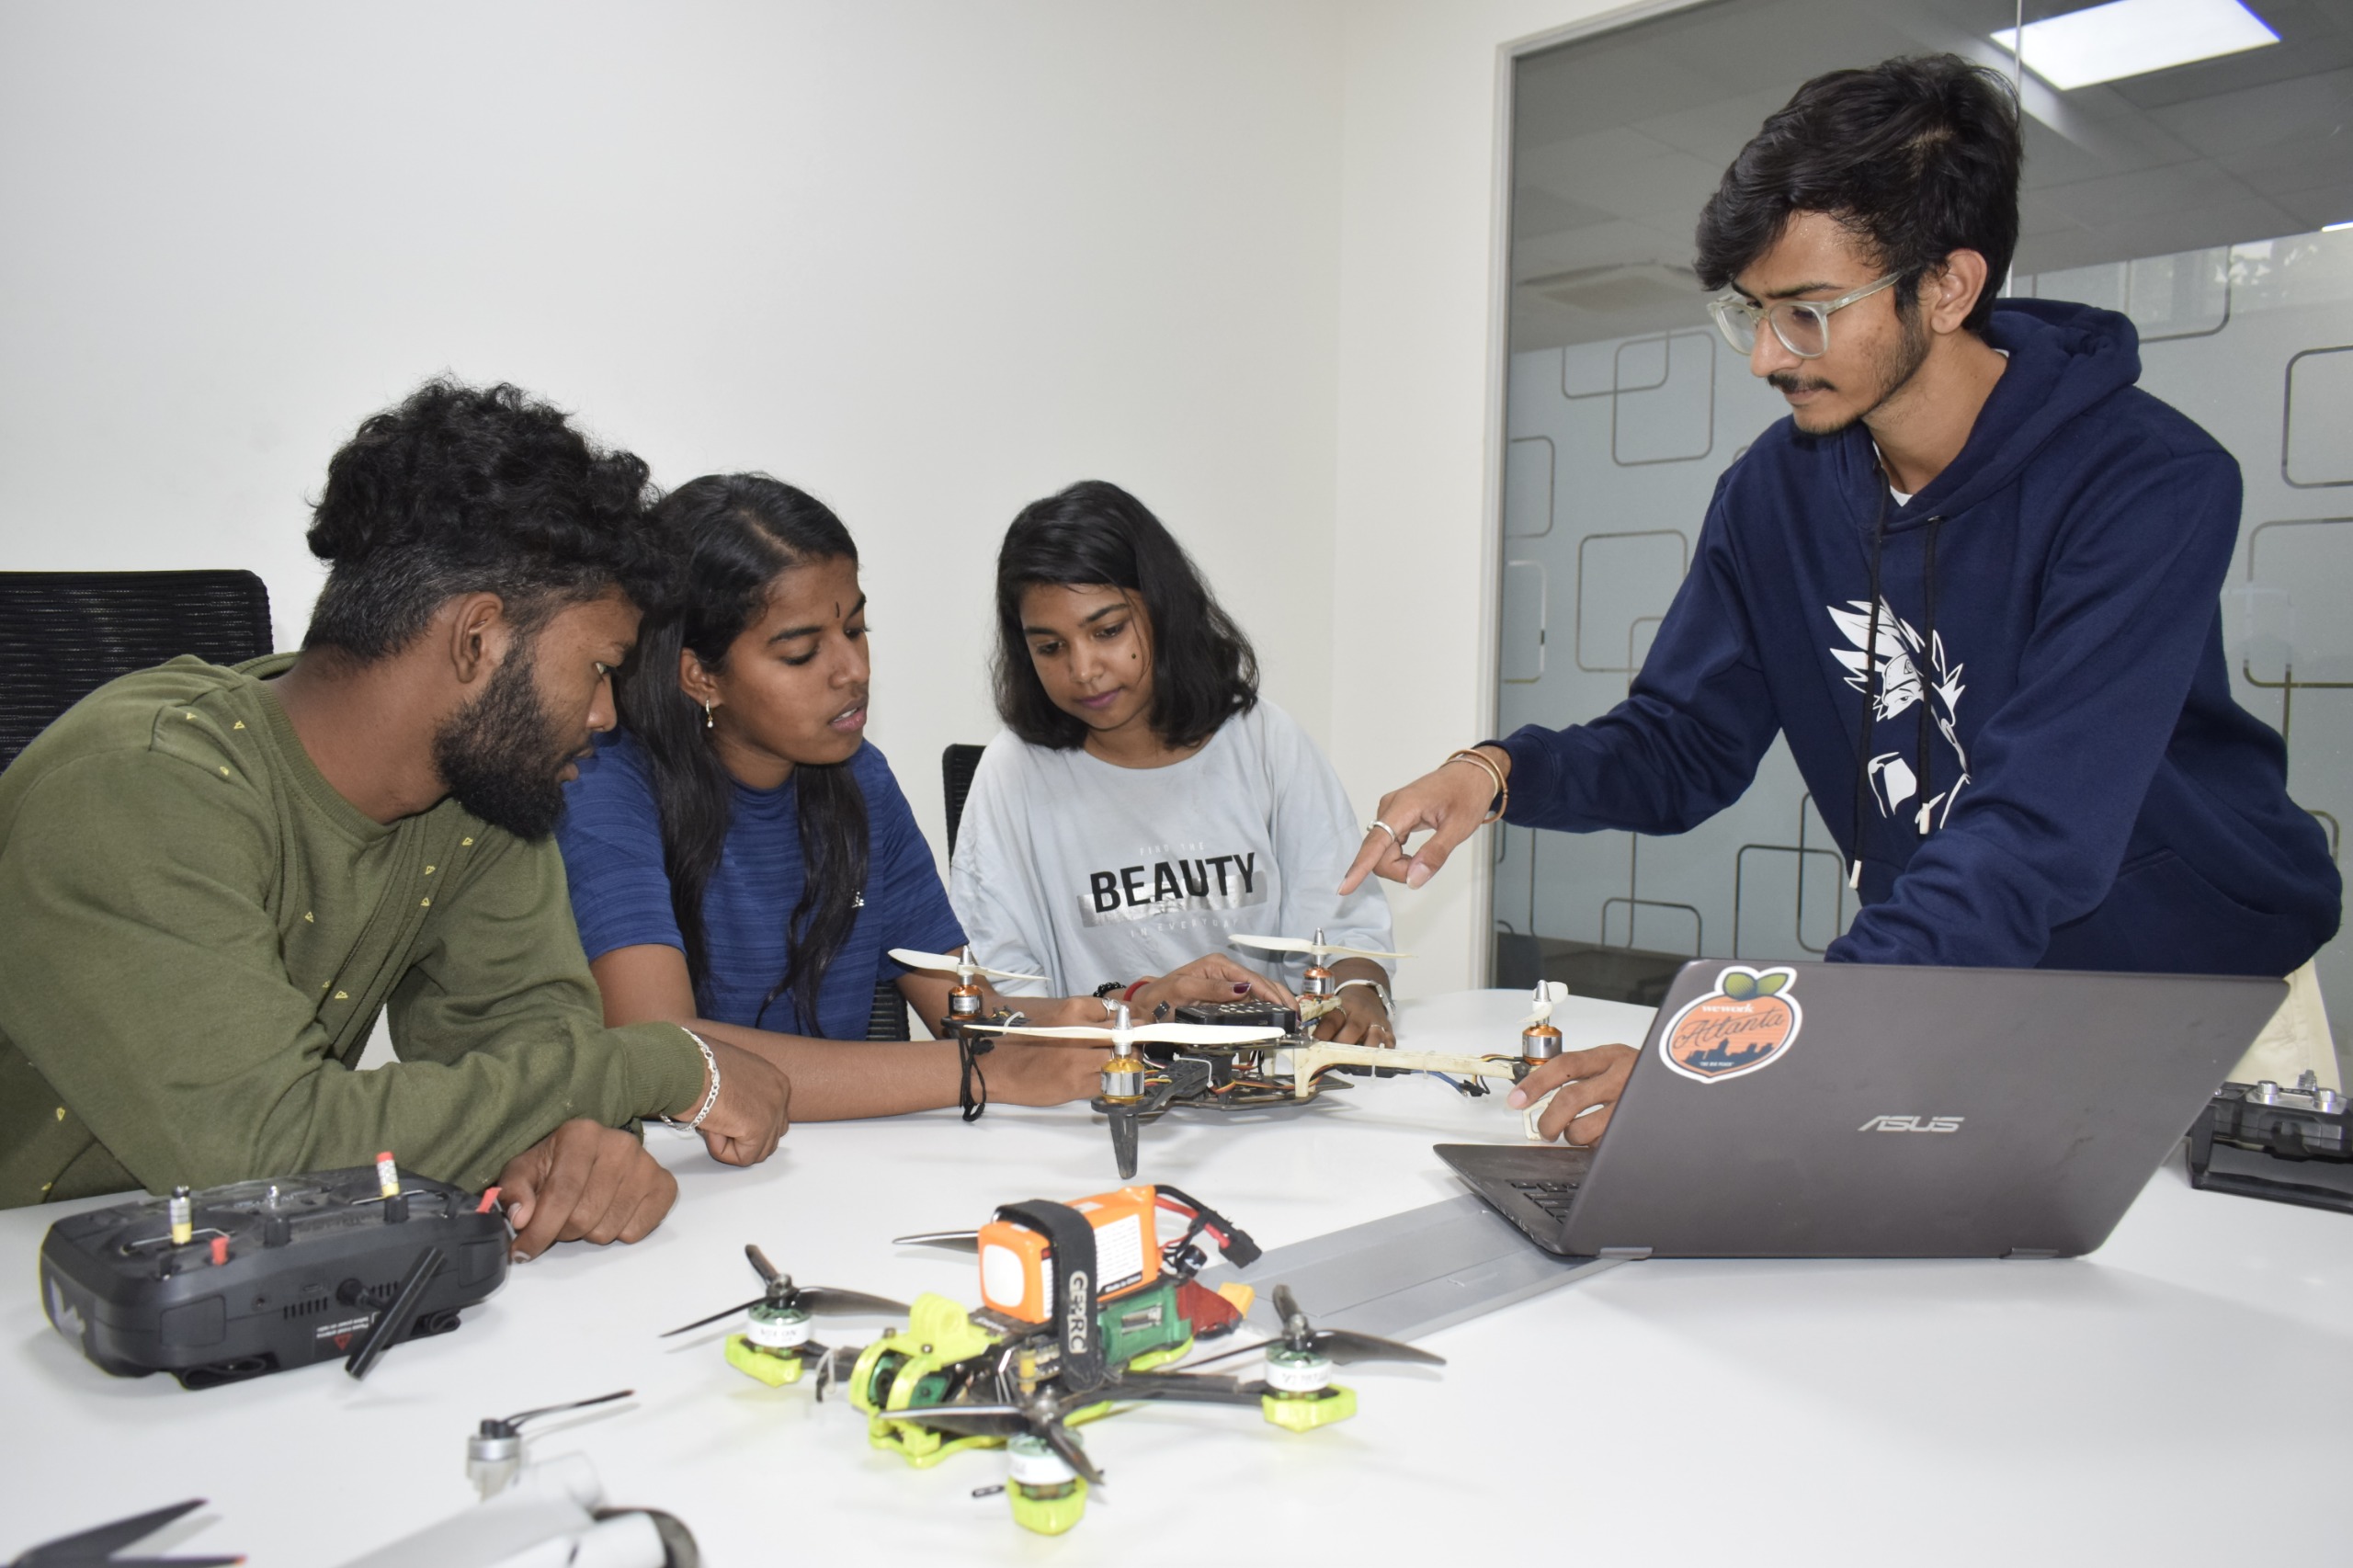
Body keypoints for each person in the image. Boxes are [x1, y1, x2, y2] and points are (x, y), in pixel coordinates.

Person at [1341, 55, 2341, 1142]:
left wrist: (1750, 1049)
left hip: (2188, 991)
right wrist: (1497, 772)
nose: (1768, 356)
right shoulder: (1773, 492)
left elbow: (2035, 831)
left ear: (1947, 287)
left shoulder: (2144, 481)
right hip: (1939, 980)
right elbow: (1682, 746)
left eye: (1809, 312)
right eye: (1753, 312)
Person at [0, 381, 791, 1255]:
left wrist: (575, 1151)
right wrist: (661, 1062)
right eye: (599, 667)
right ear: (479, 637)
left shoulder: (480, 789)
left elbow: (538, 1064)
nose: (605, 715)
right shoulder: (137, 788)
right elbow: (267, 1151)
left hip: (249, 1280)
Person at [558, 473, 1206, 1119]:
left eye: (856, 629)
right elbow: (663, 1045)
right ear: (701, 676)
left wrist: (1130, 1013)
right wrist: (983, 1071)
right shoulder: (604, 784)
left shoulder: (861, 779)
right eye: (802, 653)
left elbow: (969, 1015)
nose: (854, 670)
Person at [952, 480, 1398, 1043]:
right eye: (1050, 647)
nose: (1083, 669)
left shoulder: (1264, 741)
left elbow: (1344, 932)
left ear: (1164, 610)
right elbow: (997, 999)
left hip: (1270, 1075)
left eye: (1108, 631)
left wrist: (1358, 993)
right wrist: (1138, 1006)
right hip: (1096, 1080)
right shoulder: (1013, 773)